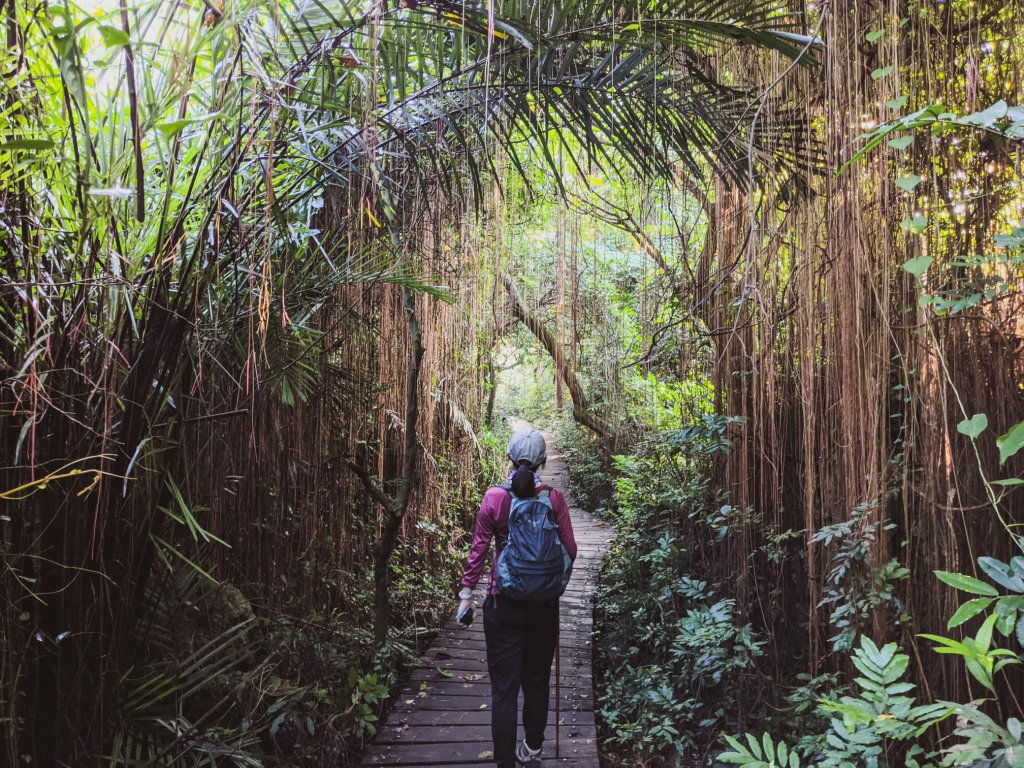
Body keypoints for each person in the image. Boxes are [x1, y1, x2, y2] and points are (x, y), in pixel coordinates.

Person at [456, 428, 577, 768]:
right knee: (537, 683)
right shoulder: (554, 499)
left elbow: (478, 551)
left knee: (504, 690)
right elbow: (570, 550)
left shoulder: (495, 497)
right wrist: (553, 587)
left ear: (509, 458)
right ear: (542, 463)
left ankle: (505, 761)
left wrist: (466, 595)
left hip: (502, 605)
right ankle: (533, 751)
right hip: (543, 609)